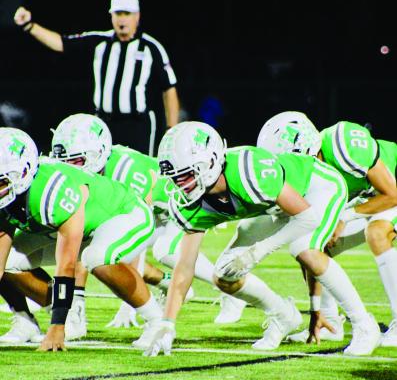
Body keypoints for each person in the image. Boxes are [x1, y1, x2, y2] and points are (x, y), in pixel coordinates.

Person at [143, 121, 380, 357]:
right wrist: (168, 324)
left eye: (186, 175)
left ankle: (364, 325)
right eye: (175, 178)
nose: (180, 185)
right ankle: (283, 314)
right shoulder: (189, 205)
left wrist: (258, 252)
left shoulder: (248, 171)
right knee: (224, 274)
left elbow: (307, 217)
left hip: (317, 187)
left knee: (304, 248)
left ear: (211, 161)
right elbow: (184, 267)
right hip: (274, 206)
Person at [49, 113, 246, 332]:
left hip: (176, 208)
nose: (70, 169)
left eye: (75, 161)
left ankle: (227, 287)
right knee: (94, 244)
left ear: (98, 152)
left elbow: (141, 224)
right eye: (64, 162)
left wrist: (128, 304)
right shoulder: (87, 176)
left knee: (164, 250)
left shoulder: (125, 169)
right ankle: (163, 283)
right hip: (155, 215)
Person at [0, 127, 163, 351]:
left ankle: (157, 321)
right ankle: (26, 321)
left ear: (24, 172)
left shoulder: (52, 192)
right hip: (77, 226)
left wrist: (57, 327)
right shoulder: (10, 195)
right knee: (9, 261)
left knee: (95, 257)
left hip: (123, 213)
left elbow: (66, 265)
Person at [257, 111, 397, 347]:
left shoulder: (343, 141)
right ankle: (330, 322)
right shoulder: (310, 175)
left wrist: (345, 216)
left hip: (391, 190)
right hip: (370, 200)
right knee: (311, 244)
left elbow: (392, 195)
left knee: (377, 232)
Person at [13, 0, 180, 156]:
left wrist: (171, 130)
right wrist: (29, 26)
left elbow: (169, 89)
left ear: (137, 16)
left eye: (126, 14)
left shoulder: (152, 48)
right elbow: (61, 43)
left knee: (140, 172)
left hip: (137, 125)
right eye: (117, 14)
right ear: (111, 16)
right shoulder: (99, 42)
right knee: (101, 171)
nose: (121, 19)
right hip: (104, 123)